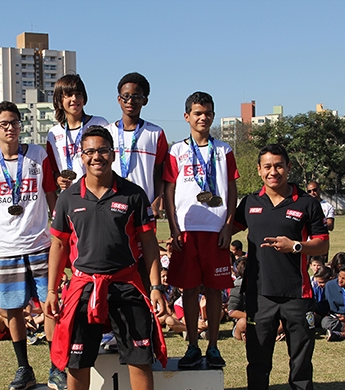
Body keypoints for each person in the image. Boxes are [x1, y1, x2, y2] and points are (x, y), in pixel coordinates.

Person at [44, 125, 169, 390]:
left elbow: (148, 244)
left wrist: (155, 286)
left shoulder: (132, 193)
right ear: (81, 156)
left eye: (102, 150)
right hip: (83, 287)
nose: (96, 156)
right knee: (76, 360)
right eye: (90, 151)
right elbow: (57, 244)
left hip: (126, 284)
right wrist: (53, 289)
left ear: (113, 154)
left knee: (140, 358)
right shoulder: (69, 197)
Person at [233, 143, 329, 390]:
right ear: (259, 170)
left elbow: (323, 244)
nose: (273, 171)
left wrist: (295, 246)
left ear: (288, 168)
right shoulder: (250, 202)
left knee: (300, 359)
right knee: (258, 360)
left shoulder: (307, 204)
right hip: (259, 294)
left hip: (297, 294)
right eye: (267, 166)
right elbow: (226, 231)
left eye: (278, 165)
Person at [0, 101, 63, 390]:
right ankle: (23, 367)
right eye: (4, 124)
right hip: (4, 247)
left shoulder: (38, 154)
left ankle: (55, 367)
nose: (10, 128)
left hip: (40, 243)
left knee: (50, 306)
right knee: (12, 309)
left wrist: (60, 233)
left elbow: (51, 193)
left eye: (14, 122)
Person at [163, 91, 238, 369]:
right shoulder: (176, 150)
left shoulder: (224, 150)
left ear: (213, 115)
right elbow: (169, 190)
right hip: (187, 231)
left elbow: (232, 190)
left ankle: (214, 347)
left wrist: (228, 226)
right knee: (190, 290)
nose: (202, 117)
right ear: (187, 117)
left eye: (207, 112)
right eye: (197, 113)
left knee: (216, 290)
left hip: (216, 231)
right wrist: (173, 228)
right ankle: (193, 346)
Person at [106, 72, 169, 214]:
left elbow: (159, 172)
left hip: (144, 206)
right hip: (111, 204)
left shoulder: (156, 133)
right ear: (119, 99)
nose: (130, 101)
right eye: (126, 96)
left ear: (145, 100)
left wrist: (157, 199)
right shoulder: (107, 132)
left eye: (136, 97)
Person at [46, 74, 108, 190]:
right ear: (59, 99)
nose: (74, 99)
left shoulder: (100, 123)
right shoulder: (53, 134)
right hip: (70, 197)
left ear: (84, 98)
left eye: (78, 94)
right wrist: (58, 179)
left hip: (98, 192)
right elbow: (53, 169)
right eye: (69, 95)